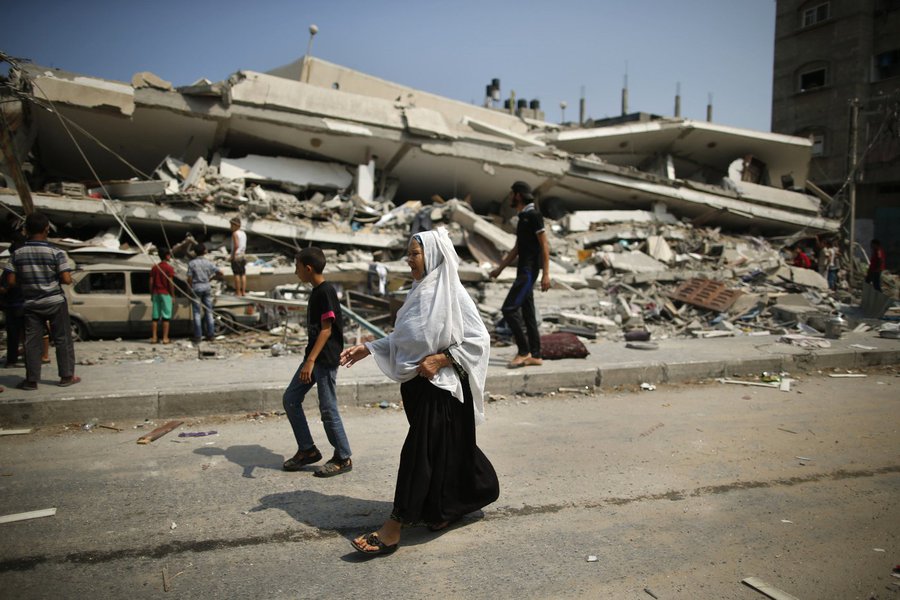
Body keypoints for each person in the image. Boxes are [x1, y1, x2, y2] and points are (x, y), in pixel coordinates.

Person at [341, 228, 499, 556]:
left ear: (433, 255)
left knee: (417, 454)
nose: (408, 259)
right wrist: (369, 348)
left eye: (414, 253)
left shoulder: (452, 293)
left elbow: (479, 340)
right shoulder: (420, 291)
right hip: (418, 386)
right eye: (409, 253)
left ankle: (393, 528)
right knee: (446, 450)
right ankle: (449, 506)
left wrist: (442, 358)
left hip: (442, 389)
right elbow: (405, 339)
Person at [281, 246, 352, 477]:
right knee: (291, 398)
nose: (296, 272)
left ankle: (343, 457)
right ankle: (307, 450)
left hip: (323, 360)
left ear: (308, 268)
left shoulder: (325, 291)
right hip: (312, 358)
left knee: (328, 408)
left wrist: (310, 361)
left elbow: (326, 330)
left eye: (297, 267)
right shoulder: (317, 291)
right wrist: (309, 359)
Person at [3, 212, 79, 390]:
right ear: (47, 229)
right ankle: (67, 376)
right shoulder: (56, 252)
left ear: (25, 230)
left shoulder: (17, 253)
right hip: (54, 301)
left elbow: (11, 281)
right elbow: (67, 279)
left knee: (31, 342)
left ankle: (31, 380)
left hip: (31, 303)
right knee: (62, 339)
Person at [489, 181, 551, 368]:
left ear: (518, 195)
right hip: (522, 269)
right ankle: (536, 354)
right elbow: (517, 248)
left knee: (509, 309)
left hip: (528, 271)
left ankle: (524, 351)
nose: (509, 197)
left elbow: (544, 245)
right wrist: (499, 269)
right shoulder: (523, 216)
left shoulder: (534, 215)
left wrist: (546, 274)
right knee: (528, 314)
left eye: (511, 194)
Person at [186, 243, 222, 343]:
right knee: (209, 312)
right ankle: (211, 335)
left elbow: (189, 278)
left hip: (196, 288)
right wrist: (211, 278)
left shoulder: (192, 263)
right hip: (206, 287)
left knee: (197, 313)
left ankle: (198, 336)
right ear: (204, 251)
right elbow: (220, 272)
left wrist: (189, 290)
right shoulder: (208, 263)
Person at [150, 248, 175, 344]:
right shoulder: (169, 268)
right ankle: (165, 338)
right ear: (167, 256)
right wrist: (172, 295)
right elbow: (171, 283)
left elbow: (151, 282)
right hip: (166, 294)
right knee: (166, 317)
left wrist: (151, 293)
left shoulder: (155, 267)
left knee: (155, 317)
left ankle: (154, 338)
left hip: (156, 293)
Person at [229, 217, 248, 297]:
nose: (230, 227)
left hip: (237, 255)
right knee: (243, 274)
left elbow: (236, 245)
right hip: (243, 255)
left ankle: (238, 292)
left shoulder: (235, 233)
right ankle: (243, 292)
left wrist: (232, 256)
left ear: (235, 225)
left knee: (236, 274)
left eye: (231, 225)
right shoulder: (243, 233)